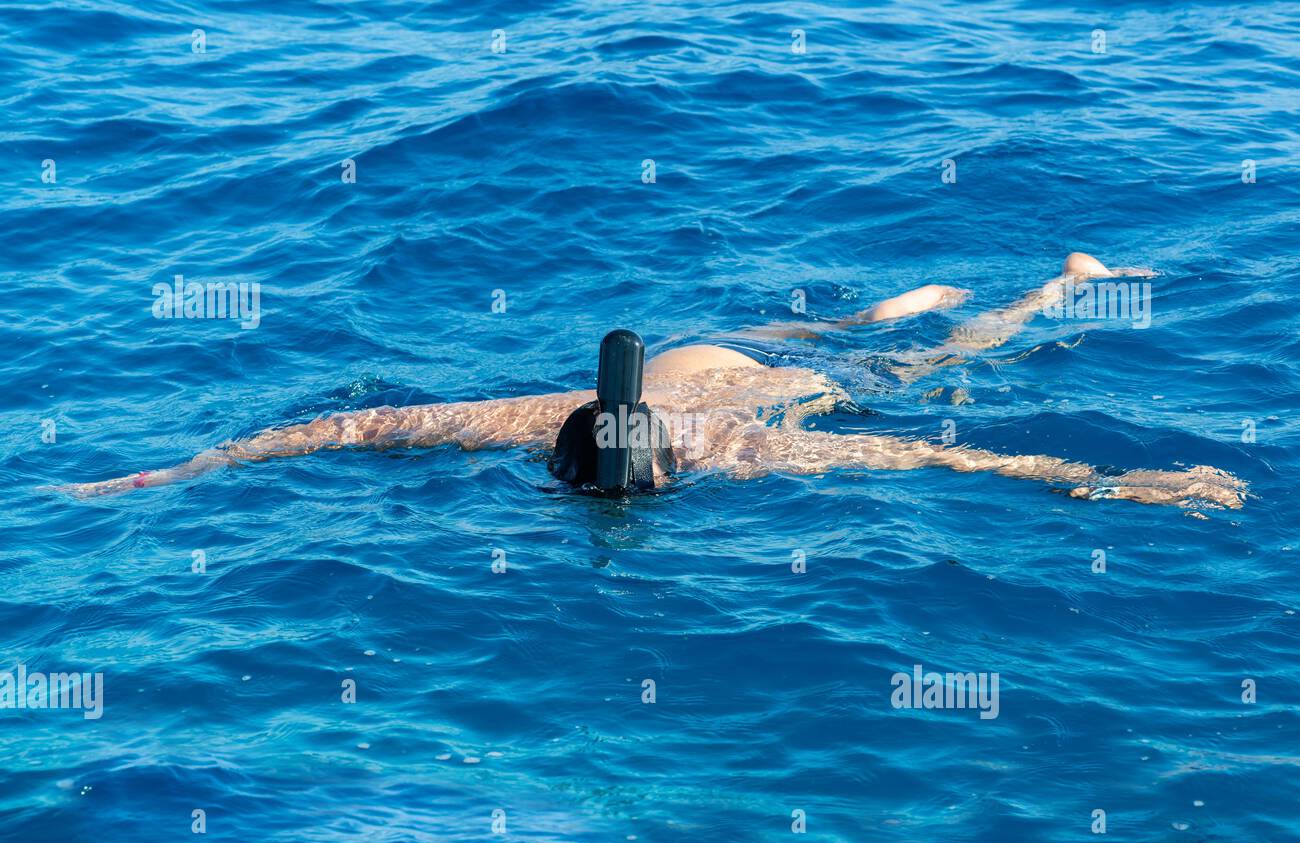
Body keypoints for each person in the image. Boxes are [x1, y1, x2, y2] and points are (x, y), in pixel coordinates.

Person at [53, 253, 1246, 510]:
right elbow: (349, 423)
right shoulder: (524, 421)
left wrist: (1121, 482)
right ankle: (902, 297)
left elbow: (957, 454)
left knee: (939, 361)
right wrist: (181, 465)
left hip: (766, 378)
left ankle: (1054, 286)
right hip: (724, 346)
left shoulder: (748, 451)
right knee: (849, 330)